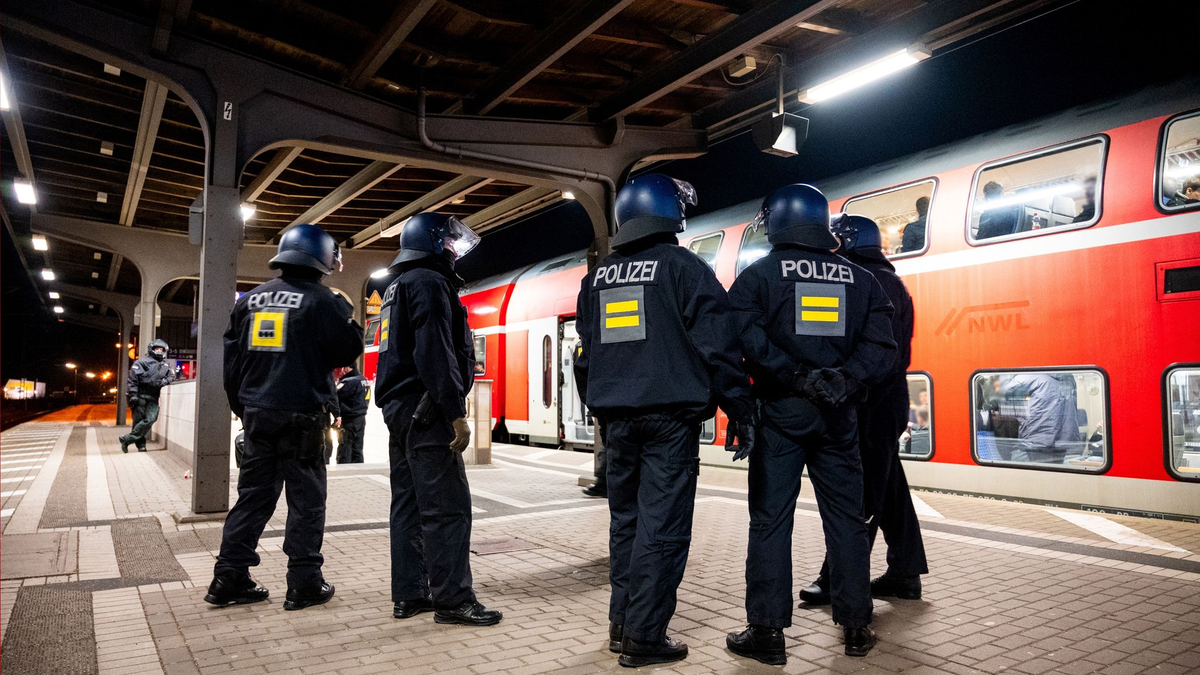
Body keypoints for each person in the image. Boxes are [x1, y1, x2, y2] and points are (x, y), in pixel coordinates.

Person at [574, 173, 755, 668]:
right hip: (669, 423)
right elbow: (717, 348)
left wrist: (602, 407)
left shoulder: (597, 279)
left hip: (617, 425)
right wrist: (739, 408)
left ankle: (621, 624)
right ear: (666, 212)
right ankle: (645, 636)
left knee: (626, 523)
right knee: (663, 529)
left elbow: (585, 358)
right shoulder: (683, 268)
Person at [725, 185, 895, 664]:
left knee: (771, 522)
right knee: (845, 520)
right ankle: (857, 627)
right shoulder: (863, 280)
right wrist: (844, 379)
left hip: (781, 413)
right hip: (839, 418)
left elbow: (744, 340)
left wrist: (793, 375)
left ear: (777, 221)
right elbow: (883, 349)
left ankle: (767, 634)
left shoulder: (757, 278)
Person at [206, 223, 363, 611]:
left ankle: (229, 576)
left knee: (253, 498)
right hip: (304, 416)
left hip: (257, 414)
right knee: (307, 501)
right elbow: (348, 350)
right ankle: (304, 581)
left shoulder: (249, 300)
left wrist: (245, 409)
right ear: (323, 257)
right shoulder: (324, 300)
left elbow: (231, 364)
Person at [375, 212, 502, 627]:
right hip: (426, 410)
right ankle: (453, 600)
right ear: (431, 244)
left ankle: (410, 594)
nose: (453, 249)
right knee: (448, 508)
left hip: (399, 410)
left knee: (407, 505)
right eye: (448, 242)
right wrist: (455, 413)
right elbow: (435, 352)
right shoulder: (430, 283)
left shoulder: (397, 287)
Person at [797, 214, 928, 608]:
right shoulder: (889, 280)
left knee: (862, 492)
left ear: (847, 243)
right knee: (888, 488)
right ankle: (905, 571)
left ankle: (836, 579)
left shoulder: (867, 282)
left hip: (871, 402)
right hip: (887, 400)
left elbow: (874, 352)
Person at [119, 338, 175, 453]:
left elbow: (171, 376)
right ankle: (141, 446)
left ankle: (127, 439)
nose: (159, 351)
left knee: (151, 418)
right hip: (140, 395)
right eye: (157, 348)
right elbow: (132, 379)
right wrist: (133, 394)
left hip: (154, 396)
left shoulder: (166, 364)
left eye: (161, 349)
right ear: (151, 349)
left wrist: (164, 382)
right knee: (138, 420)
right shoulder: (141, 362)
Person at [334, 365, 370, 464]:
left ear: (347, 368)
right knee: (357, 448)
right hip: (361, 418)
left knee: (345, 448)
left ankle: (344, 474)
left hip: (349, 420)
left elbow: (334, 395)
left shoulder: (348, 382)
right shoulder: (363, 379)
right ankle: (358, 472)